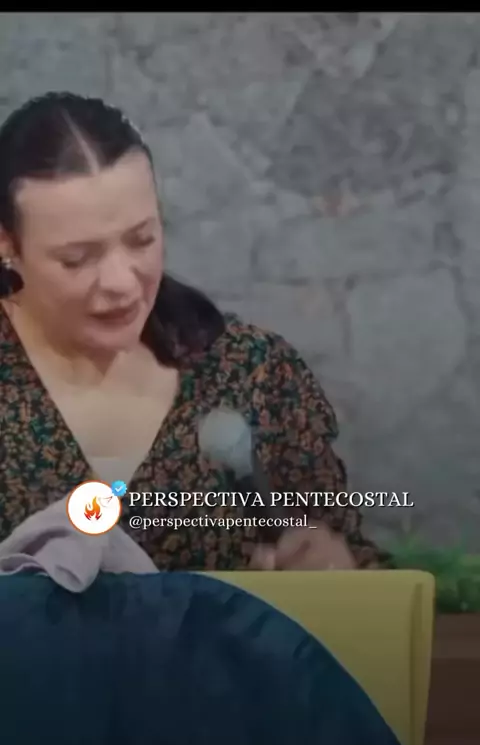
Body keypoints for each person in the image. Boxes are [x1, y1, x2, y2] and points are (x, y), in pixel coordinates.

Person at [0, 92, 391, 572]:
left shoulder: (251, 372)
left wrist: (334, 569)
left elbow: (357, 570)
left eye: (142, 239)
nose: (122, 282)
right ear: (7, 245)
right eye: (77, 259)